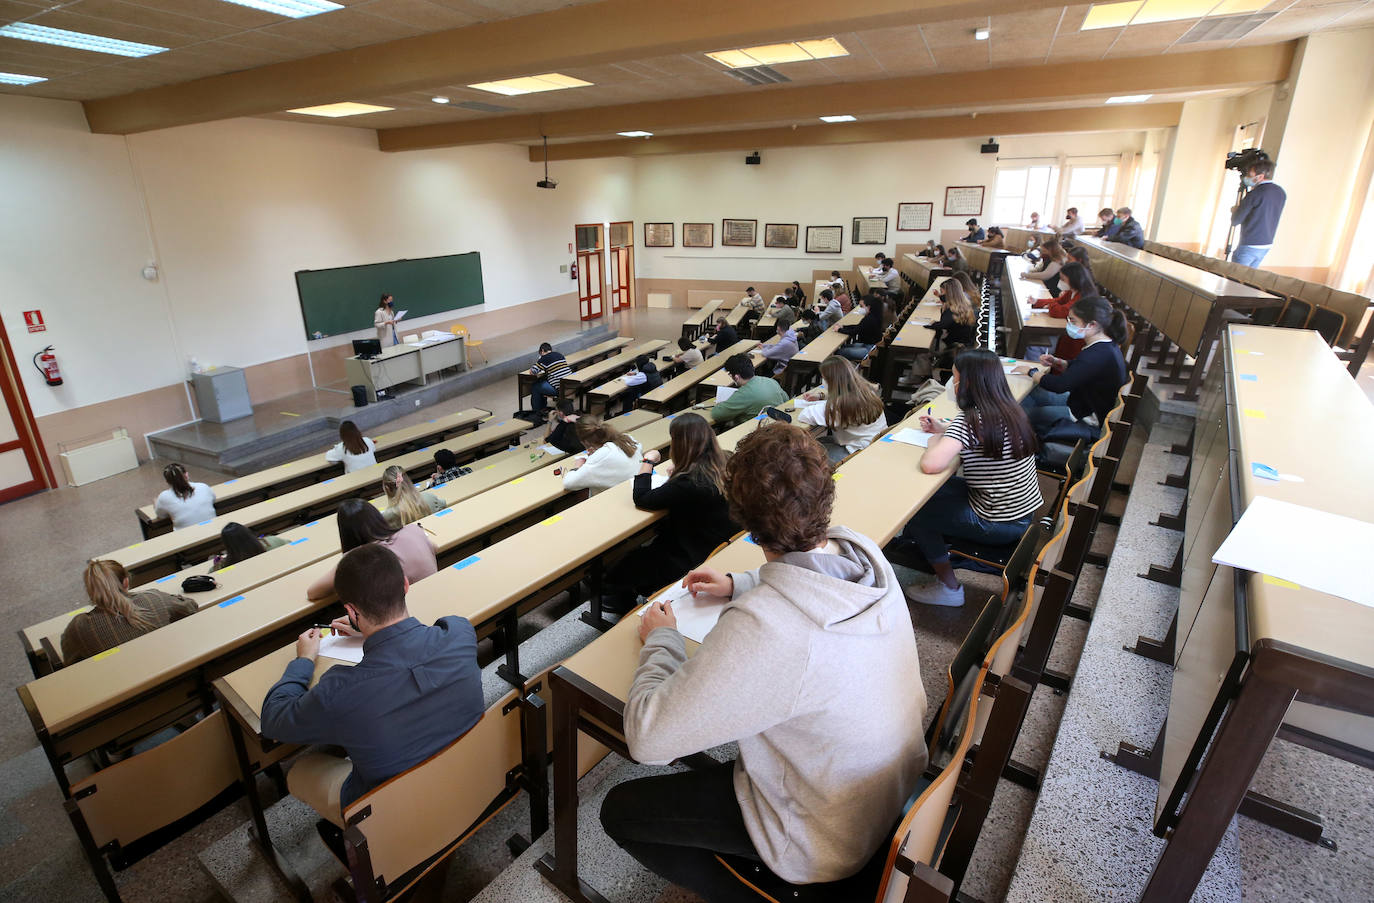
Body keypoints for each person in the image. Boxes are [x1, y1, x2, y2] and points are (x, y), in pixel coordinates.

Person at [600, 424, 926, 898]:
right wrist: (743, 582)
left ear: (745, 522)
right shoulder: (861, 551)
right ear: (825, 494)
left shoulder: (767, 627)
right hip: (883, 788)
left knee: (620, 810)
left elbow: (648, 741)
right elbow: (812, 581)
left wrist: (663, 641)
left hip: (826, 835)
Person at [261, 543, 483, 836]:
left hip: (394, 815)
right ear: (405, 585)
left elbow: (273, 720)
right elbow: (422, 643)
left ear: (351, 611)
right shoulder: (459, 633)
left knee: (302, 769)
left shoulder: (340, 691)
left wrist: (304, 660)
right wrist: (370, 630)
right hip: (470, 778)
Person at [900, 349, 1043, 607]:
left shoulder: (971, 419)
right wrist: (946, 430)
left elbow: (932, 464)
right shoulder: (1007, 408)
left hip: (997, 521)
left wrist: (935, 440)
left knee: (917, 510)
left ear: (967, 382)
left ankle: (949, 588)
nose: (951, 384)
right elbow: (980, 437)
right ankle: (928, 548)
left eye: (953, 378)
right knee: (935, 493)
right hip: (1019, 512)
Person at [601, 413, 738, 613]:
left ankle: (626, 608)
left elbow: (643, 498)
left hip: (689, 555)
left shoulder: (690, 482)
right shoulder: (724, 460)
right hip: (717, 542)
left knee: (619, 569)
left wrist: (648, 461)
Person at [1017, 295, 1129, 444]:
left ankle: (1023, 445)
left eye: (1073, 321)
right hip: (1081, 401)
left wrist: (1031, 372)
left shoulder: (1097, 354)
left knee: (1020, 414)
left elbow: (1060, 386)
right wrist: (1059, 363)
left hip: (1085, 416)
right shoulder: (1106, 345)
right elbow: (1082, 370)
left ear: (1092, 325)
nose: (1069, 324)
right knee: (1033, 392)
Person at [62, 560, 198, 664]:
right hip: (176, 675)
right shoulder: (154, 598)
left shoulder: (79, 627)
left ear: (90, 592)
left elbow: (69, 662)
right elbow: (191, 607)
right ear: (126, 582)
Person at [307, 499, 437, 600]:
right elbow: (435, 548)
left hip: (407, 613)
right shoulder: (412, 529)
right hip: (437, 591)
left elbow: (313, 592)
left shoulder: (360, 557)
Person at [795, 356, 887, 463]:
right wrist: (822, 396)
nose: (823, 381)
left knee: (804, 455)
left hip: (857, 453)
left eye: (824, 378)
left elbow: (805, 415)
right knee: (818, 441)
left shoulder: (839, 405)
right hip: (873, 444)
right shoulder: (865, 393)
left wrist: (823, 402)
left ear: (832, 381)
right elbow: (839, 393)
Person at [1031, 261, 1094, 362]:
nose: (1061, 282)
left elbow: (1062, 311)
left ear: (1074, 280)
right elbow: (1057, 301)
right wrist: (1037, 301)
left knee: (1036, 345)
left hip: (1075, 338)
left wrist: (1050, 306)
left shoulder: (1083, 295)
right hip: (1066, 330)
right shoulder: (1072, 291)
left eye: (1063, 279)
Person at [562, 416, 642, 495]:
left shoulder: (600, 456)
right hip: (638, 490)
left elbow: (568, 483)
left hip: (617, 499)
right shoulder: (628, 439)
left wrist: (577, 465)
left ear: (585, 442)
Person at [1229, 157, 1285, 268]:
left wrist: (1235, 211)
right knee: (1249, 279)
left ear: (1260, 176)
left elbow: (1236, 220)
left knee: (1234, 279)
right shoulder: (1280, 192)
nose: (1247, 178)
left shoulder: (1255, 194)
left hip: (1250, 244)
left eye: (1250, 175)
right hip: (1266, 244)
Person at [709, 354, 788, 424]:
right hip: (776, 425)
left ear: (736, 377)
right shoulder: (771, 381)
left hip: (753, 431)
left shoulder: (743, 394)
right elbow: (786, 399)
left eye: (730, 374)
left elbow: (717, 414)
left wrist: (721, 405)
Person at [153, 462, 216, 530]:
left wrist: (156, 503)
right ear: (186, 475)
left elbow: (161, 516)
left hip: (186, 537)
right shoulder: (203, 486)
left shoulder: (164, 497)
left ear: (167, 482)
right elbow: (213, 499)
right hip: (213, 529)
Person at [380, 465, 447, 528]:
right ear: (407, 480)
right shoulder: (429, 497)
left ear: (387, 488)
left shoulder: (388, 516)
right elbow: (443, 504)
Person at [211, 522, 287, 572]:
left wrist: (216, 566)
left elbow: (211, 575)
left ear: (227, 544)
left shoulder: (225, 566)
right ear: (249, 533)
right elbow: (291, 545)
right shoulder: (272, 541)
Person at [928, 278, 978, 352]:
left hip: (954, 349)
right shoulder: (963, 305)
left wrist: (931, 324)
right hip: (963, 345)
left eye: (942, 292)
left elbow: (942, 325)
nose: (941, 295)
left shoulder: (951, 310)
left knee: (923, 352)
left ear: (948, 294)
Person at [528, 342, 571, 418]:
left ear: (542, 351)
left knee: (535, 387)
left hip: (559, 388)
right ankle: (543, 408)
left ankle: (536, 412)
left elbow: (532, 371)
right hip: (569, 385)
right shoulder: (559, 355)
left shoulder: (544, 358)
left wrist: (540, 360)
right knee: (542, 382)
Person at [836, 293, 884, 362]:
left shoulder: (869, 319)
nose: (860, 308)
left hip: (869, 349)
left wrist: (839, 329)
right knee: (844, 347)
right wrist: (844, 326)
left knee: (840, 352)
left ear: (869, 307)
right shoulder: (874, 315)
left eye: (861, 306)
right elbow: (859, 327)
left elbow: (854, 332)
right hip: (869, 345)